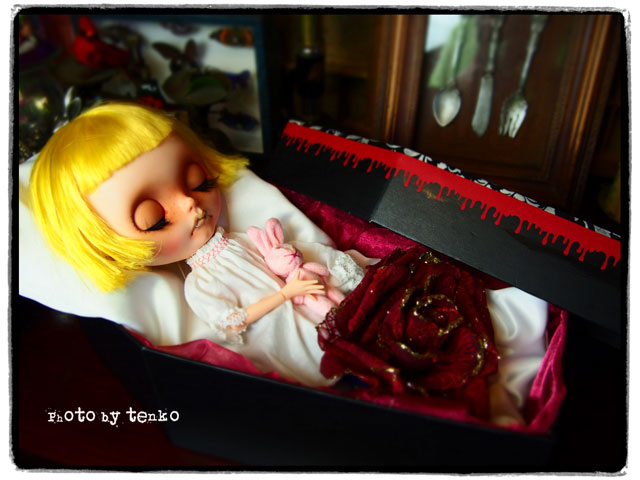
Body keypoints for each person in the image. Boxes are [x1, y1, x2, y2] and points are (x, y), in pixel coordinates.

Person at [29, 101, 365, 386]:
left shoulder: (238, 239)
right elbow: (234, 321)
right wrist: (284, 294)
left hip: (311, 299)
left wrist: (291, 262)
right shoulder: (200, 285)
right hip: (277, 330)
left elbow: (277, 253)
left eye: (199, 182)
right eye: (154, 219)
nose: (190, 203)